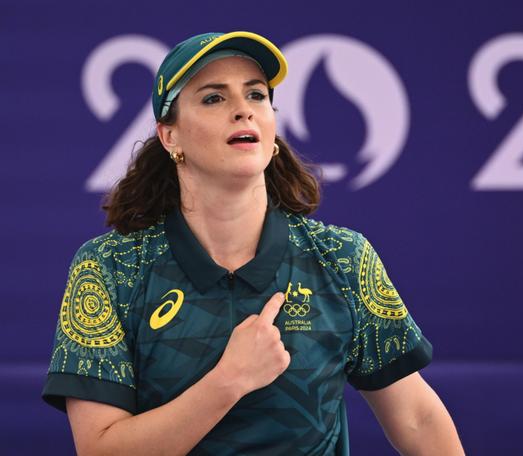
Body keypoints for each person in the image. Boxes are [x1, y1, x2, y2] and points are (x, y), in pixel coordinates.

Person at [42, 31, 464, 455]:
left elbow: (417, 418)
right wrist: (229, 381)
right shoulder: (110, 266)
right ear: (170, 137)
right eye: (213, 98)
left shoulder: (342, 258)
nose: (243, 110)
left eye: (256, 95)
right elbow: (100, 449)